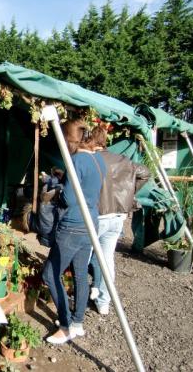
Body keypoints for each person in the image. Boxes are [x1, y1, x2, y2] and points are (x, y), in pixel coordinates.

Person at [42, 118, 106, 344]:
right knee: (80, 273)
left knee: (50, 274)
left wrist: (57, 190)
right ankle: (77, 323)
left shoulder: (76, 160)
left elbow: (69, 198)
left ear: (70, 140)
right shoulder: (99, 160)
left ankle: (66, 325)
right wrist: (65, 179)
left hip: (73, 225)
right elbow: (87, 189)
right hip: (91, 223)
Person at [85, 127, 150, 315]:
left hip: (97, 216)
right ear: (105, 141)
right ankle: (103, 303)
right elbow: (145, 173)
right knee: (107, 259)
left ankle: (83, 297)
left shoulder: (92, 160)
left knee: (84, 257)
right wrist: (130, 193)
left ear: (91, 141)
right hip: (118, 217)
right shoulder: (122, 159)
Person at [38, 167, 64, 247]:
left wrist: (44, 175)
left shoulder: (53, 180)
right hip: (57, 206)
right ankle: (49, 241)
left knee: (47, 224)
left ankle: (46, 241)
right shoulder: (63, 183)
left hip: (49, 205)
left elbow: (48, 181)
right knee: (53, 225)